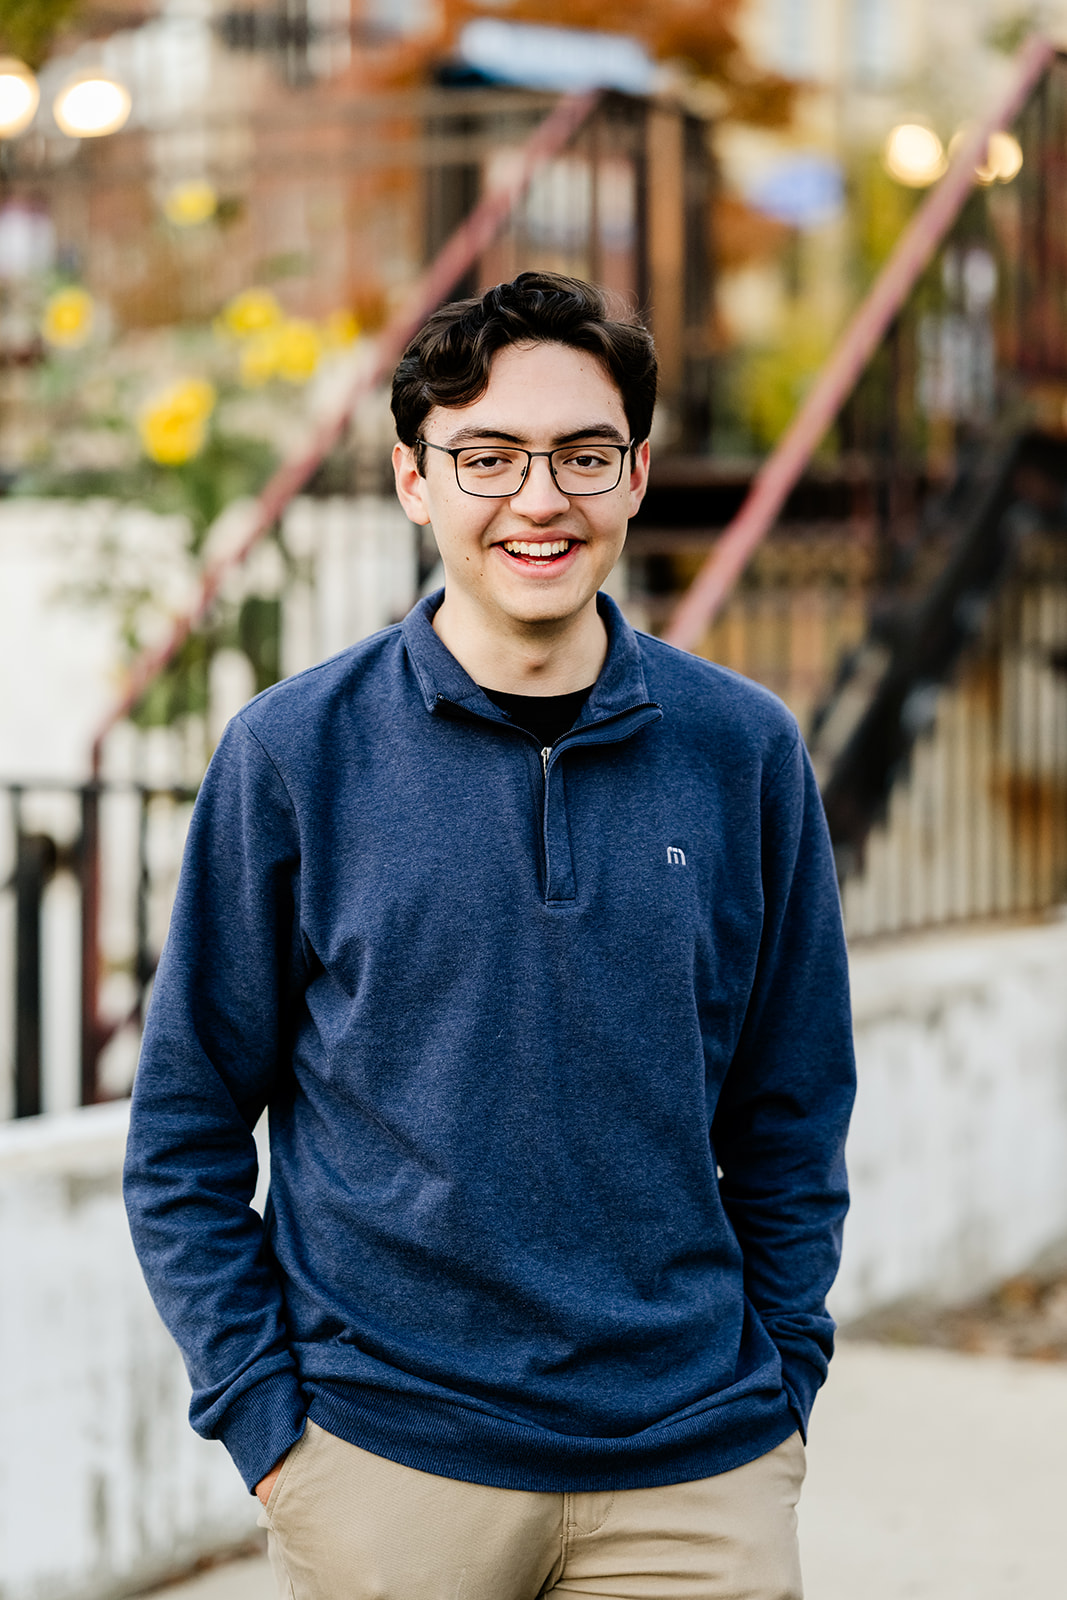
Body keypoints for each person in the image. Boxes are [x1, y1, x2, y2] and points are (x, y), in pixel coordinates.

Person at [124, 271, 855, 1600]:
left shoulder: (742, 751)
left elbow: (793, 1107)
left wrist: (782, 1381)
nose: (539, 499)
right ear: (416, 480)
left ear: (635, 473)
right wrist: (269, 1430)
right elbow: (182, 1128)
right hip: (387, 1466)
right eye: (487, 457)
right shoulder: (297, 755)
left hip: (695, 1468)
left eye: (581, 455)